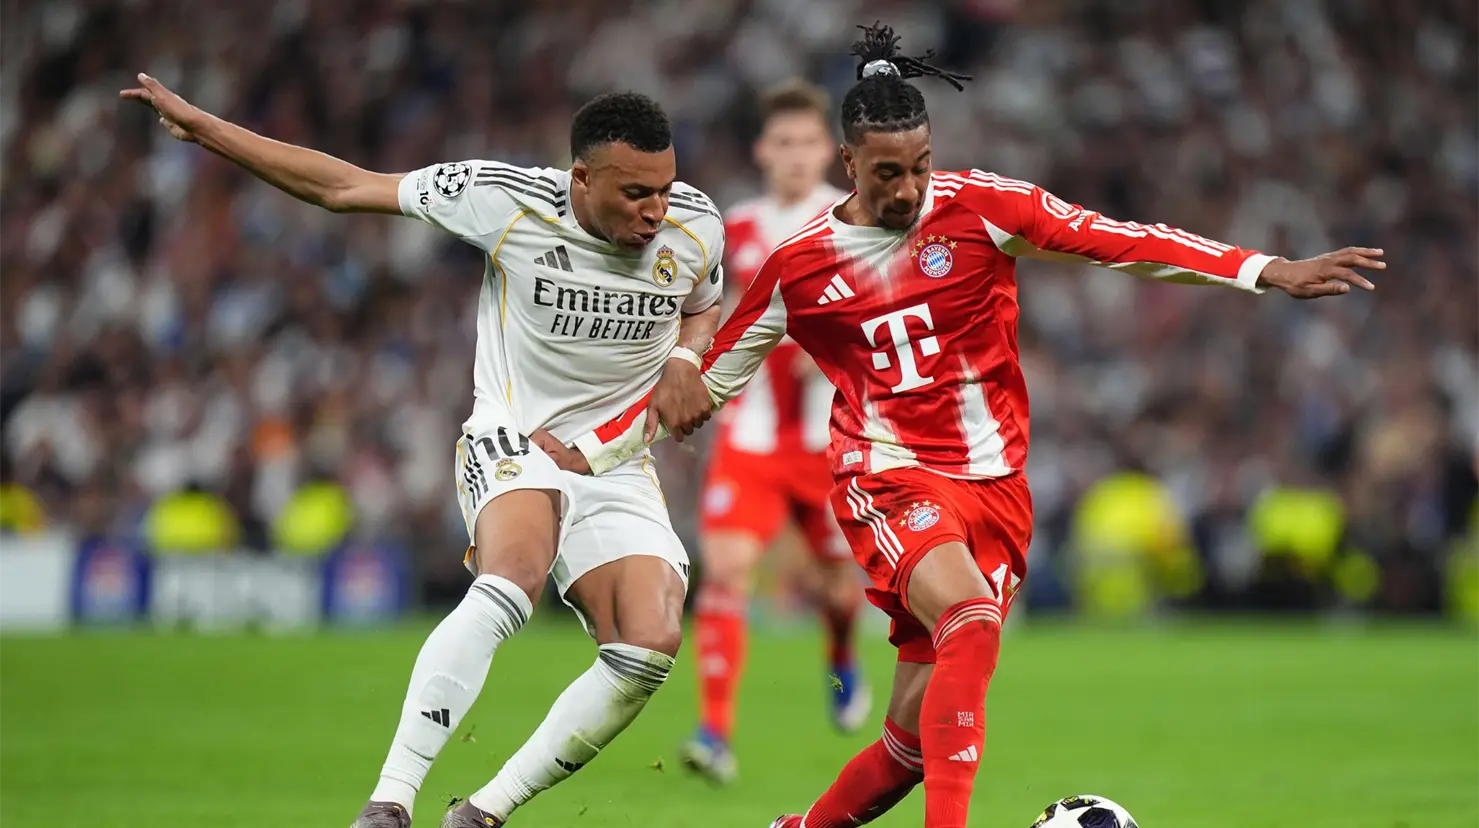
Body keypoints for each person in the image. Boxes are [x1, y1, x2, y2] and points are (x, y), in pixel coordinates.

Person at [541, 23, 1385, 828]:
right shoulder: (797, 269)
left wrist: (1262, 268)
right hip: (888, 476)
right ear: (847, 164)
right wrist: (584, 453)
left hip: (996, 489)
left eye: (919, 167)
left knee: (911, 741)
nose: (907, 189)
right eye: (885, 174)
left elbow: (1119, 242)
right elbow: (701, 383)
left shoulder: (983, 207)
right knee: (971, 620)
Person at [120, 76, 724, 828]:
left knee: (650, 643)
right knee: (512, 578)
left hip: (613, 460)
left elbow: (700, 312)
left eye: (664, 188)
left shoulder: (696, 224)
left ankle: (481, 814)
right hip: (513, 435)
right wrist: (209, 130)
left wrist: (686, 360)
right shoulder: (503, 198)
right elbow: (344, 187)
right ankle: (389, 803)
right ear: (581, 177)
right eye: (635, 192)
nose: (656, 209)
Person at [680, 79, 869, 787]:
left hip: (828, 440)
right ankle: (714, 734)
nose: (794, 155)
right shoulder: (735, 225)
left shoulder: (852, 220)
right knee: (725, 573)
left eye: (807, 143)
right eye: (781, 142)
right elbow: (716, 317)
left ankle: (842, 656)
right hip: (749, 436)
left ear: (832, 151)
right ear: (763, 150)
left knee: (836, 588)